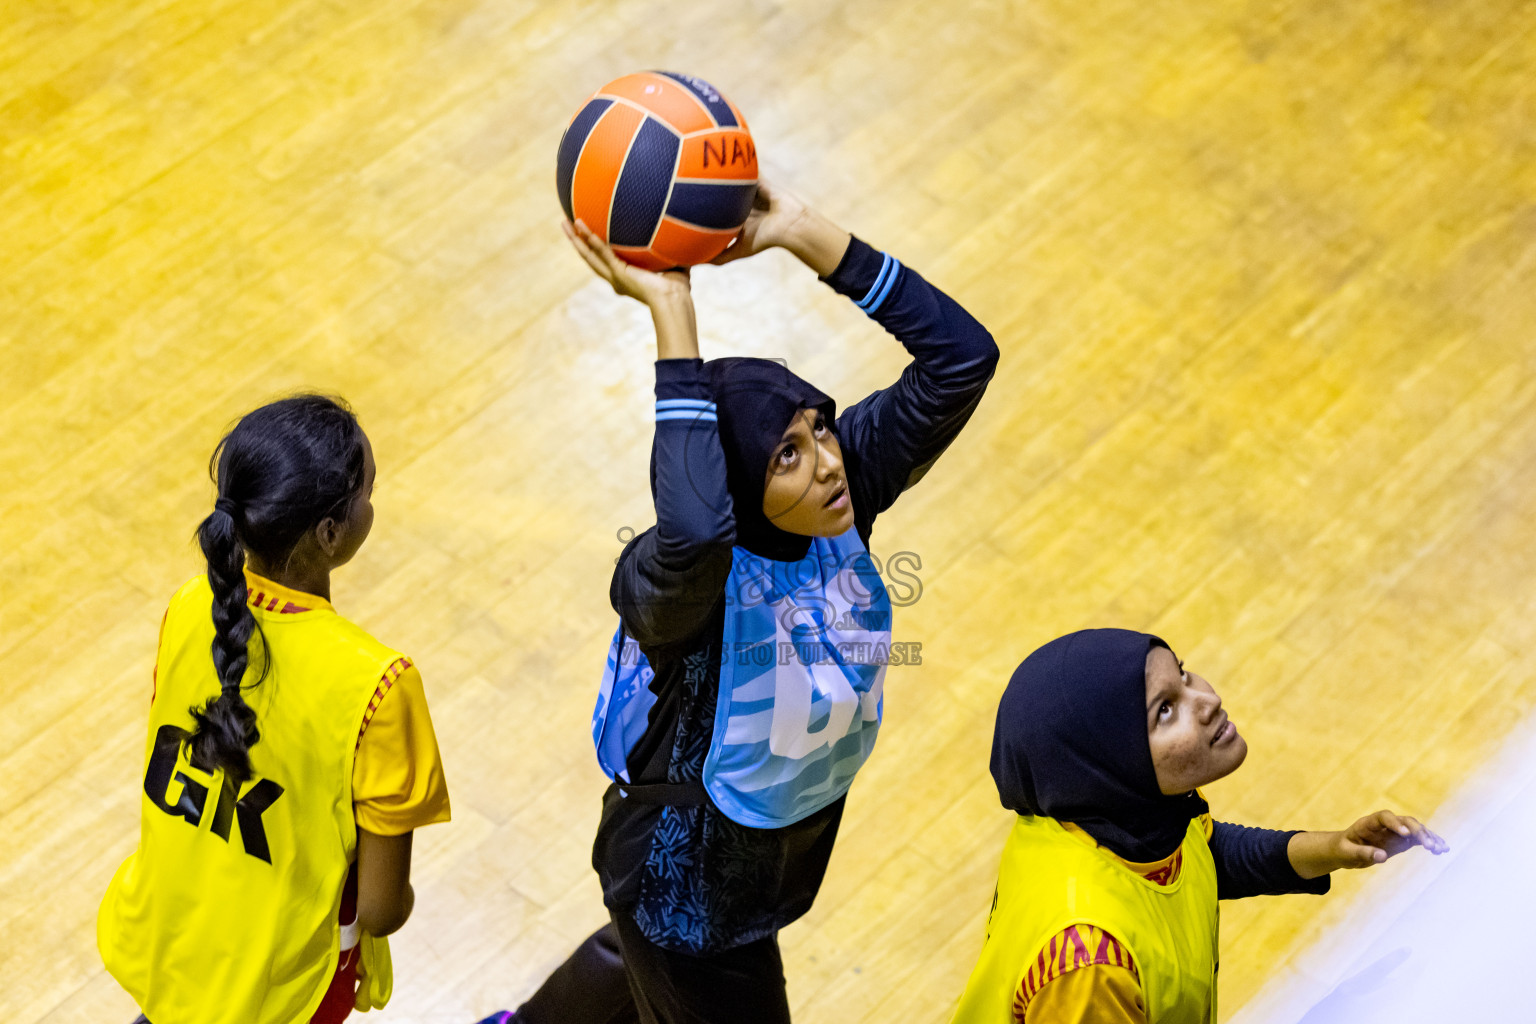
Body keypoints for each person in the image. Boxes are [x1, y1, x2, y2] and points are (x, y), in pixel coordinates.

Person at [477, 181, 1000, 1024]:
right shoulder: (676, 583)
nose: (826, 462)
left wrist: (800, 230)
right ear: (737, 485)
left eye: (818, 428)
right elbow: (696, 530)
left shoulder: (844, 493)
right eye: (785, 455)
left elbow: (962, 359)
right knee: (658, 956)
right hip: (684, 900)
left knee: (626, 960)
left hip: (758, 861)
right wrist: (671, 310)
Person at [98, 395, 452, 1024]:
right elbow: (380, 910)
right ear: (329, 532)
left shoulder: (189, 607)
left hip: (168, 945)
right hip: (277, 993)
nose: (375, 502)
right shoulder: (379, 685)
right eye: (370, 490)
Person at [950, 628, 1447, 1023]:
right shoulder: (1089, 966)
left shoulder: (1117, 817)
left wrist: (1335, 847)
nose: (1206, 700)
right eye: (1166, 711)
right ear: (1110, 762)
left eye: (1184, 676)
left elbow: (1200, 857)